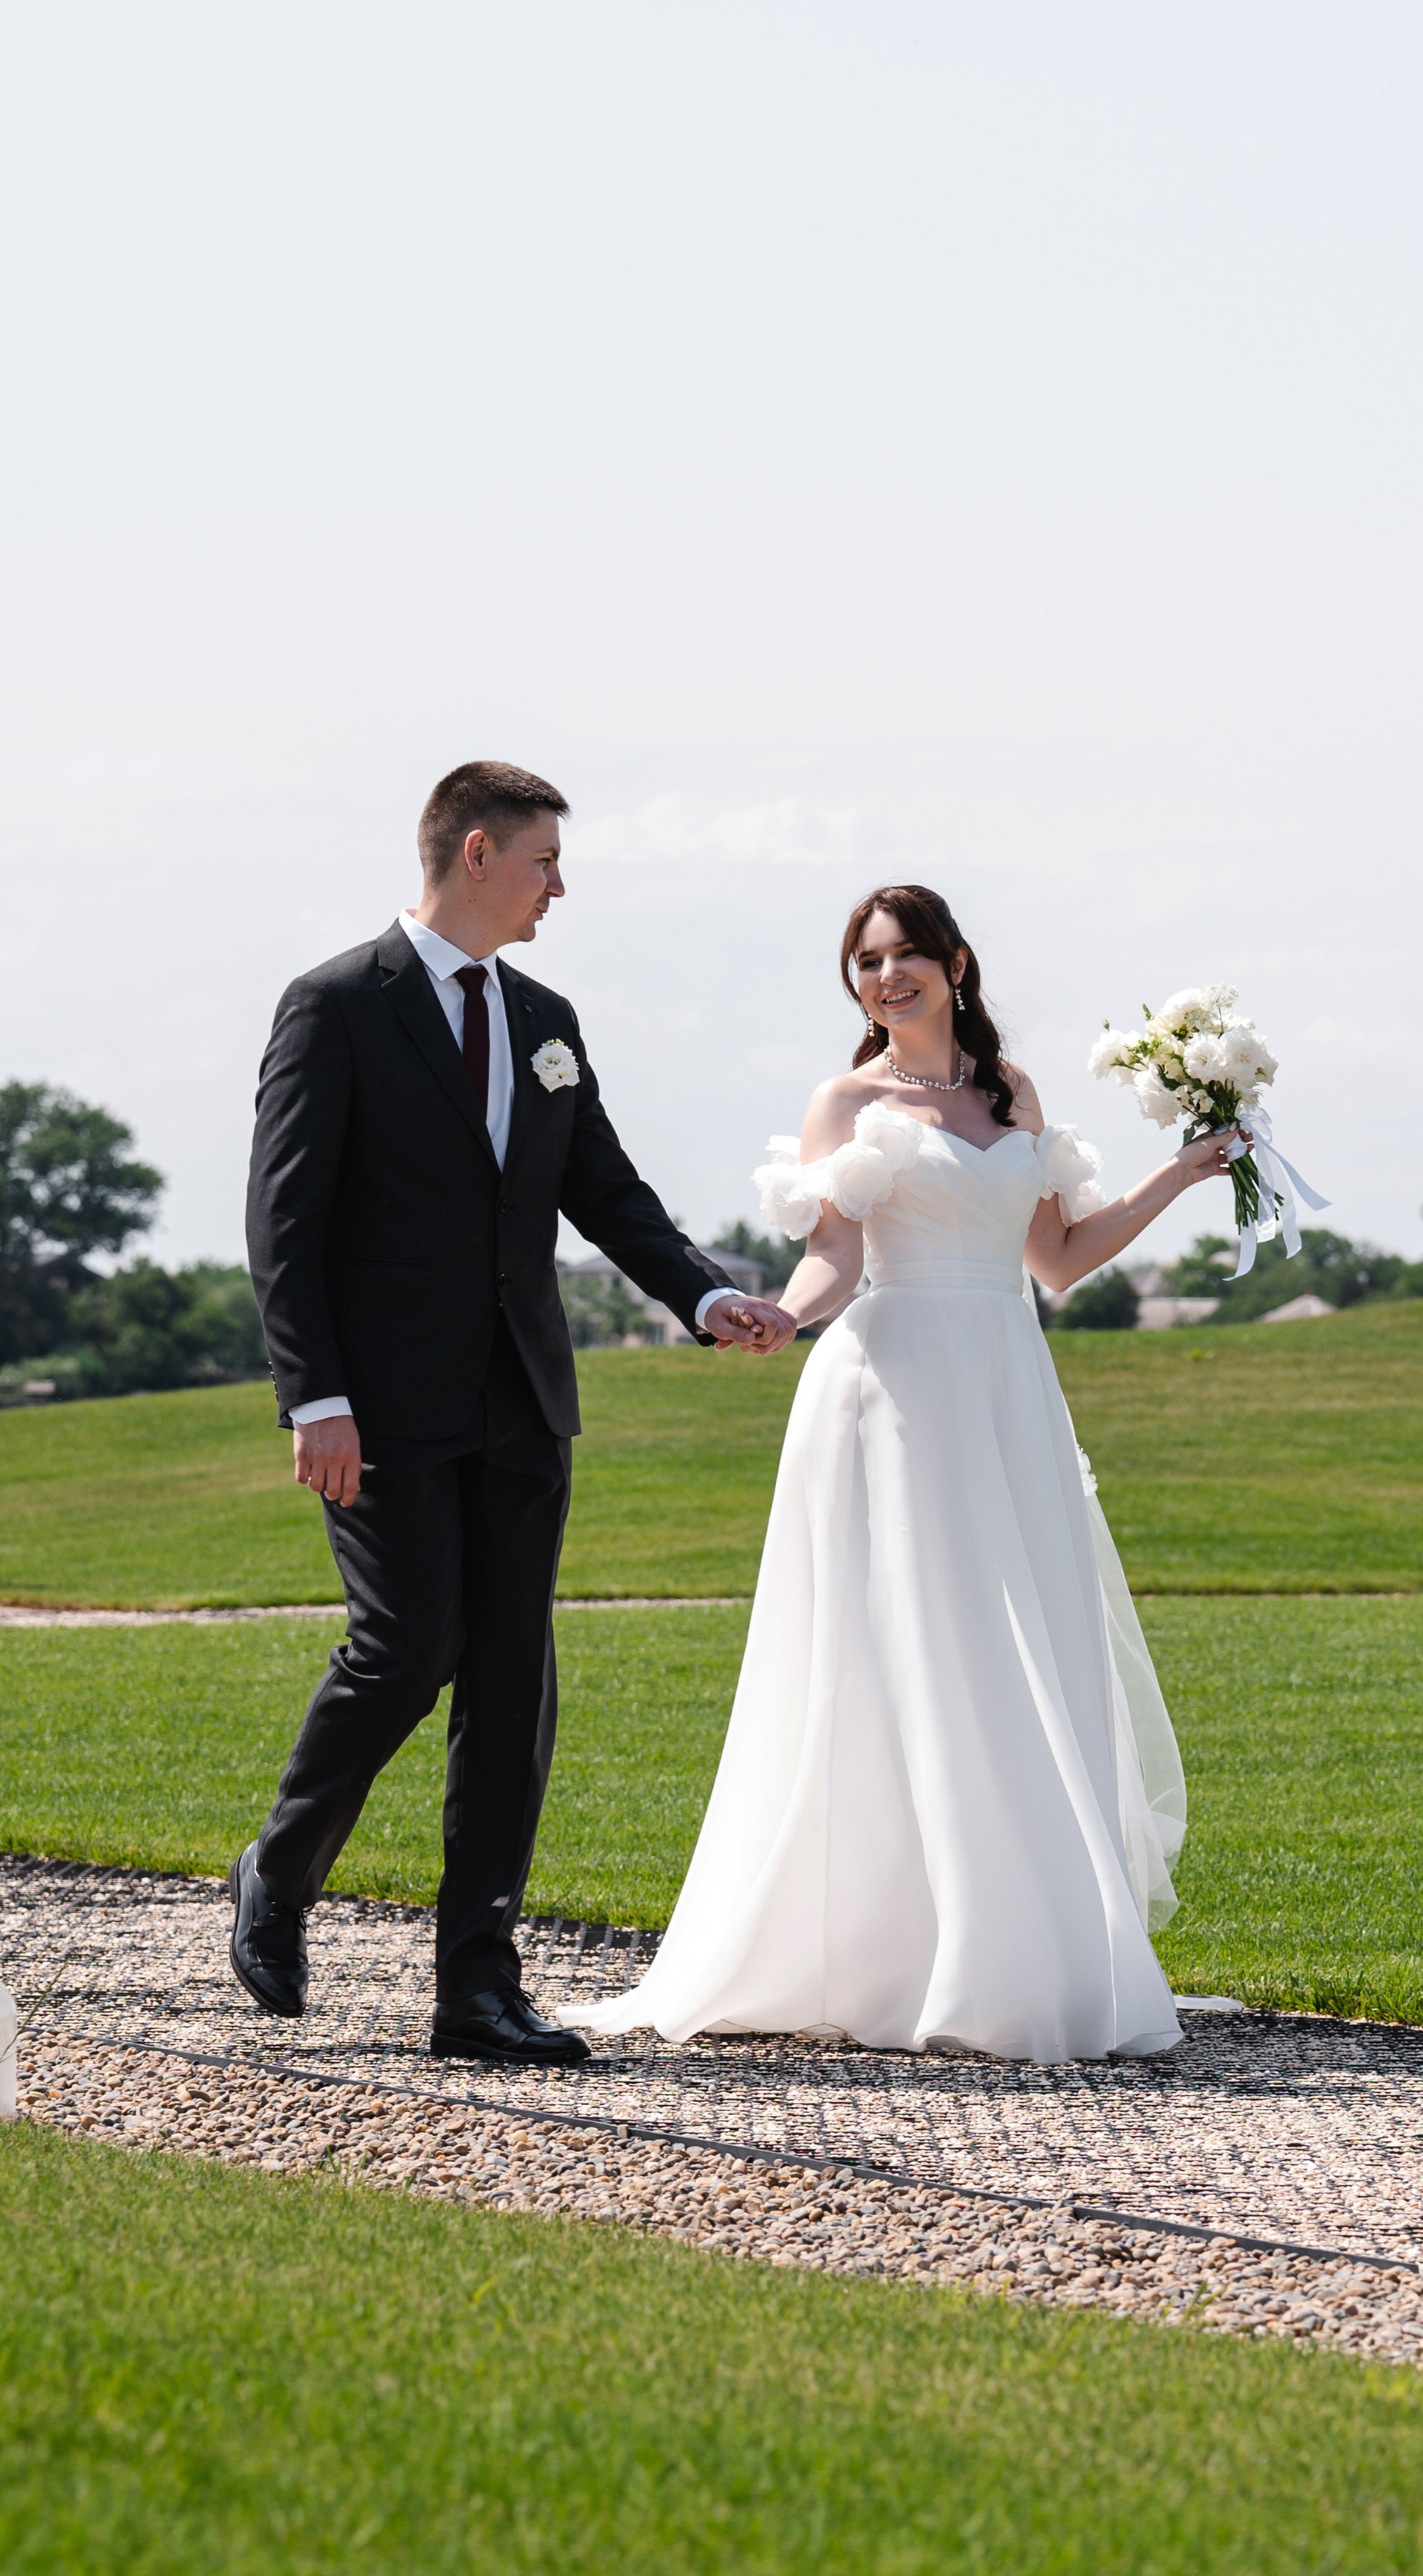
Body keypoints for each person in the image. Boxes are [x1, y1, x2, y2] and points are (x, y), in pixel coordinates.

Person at [563, 884, 1240, 2062]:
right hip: (893, 1384)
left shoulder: (1011, 1095)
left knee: (1020, 1633)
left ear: (956, 963)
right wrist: (785, 1315)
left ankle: (1028, 1946)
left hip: (1008, 1384)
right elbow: (833, 1251)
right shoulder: (849, 1100)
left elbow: (1062, 1260)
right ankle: (899, 1951)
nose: (886, 979)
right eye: (867, 963)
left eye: (905, 957)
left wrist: (1178, 1177)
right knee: (912, 1645)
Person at [231, 761, 796, 2066]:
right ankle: (280, 1862)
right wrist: (313, 1395)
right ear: (476, 852)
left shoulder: (545, 1014)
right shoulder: (333, 1006)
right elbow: (286, 1218)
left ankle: (477, 1990)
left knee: (510, 1679)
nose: (559, 887)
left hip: (525, 1400)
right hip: (377, 1409)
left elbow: (604, 1187)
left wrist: (706, 1299)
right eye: (546, 862)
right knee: (406, 1647)